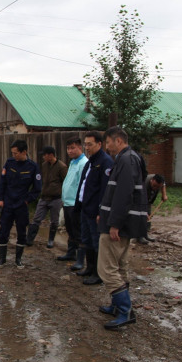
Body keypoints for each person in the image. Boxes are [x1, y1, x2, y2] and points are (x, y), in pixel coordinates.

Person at [97, 126, 148, 329]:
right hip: (125, 222)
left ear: (118, 141)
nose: (107, 147)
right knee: (119, 266)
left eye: (108, 142)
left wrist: (114, 223)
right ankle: (118, 306)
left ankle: (125, 310)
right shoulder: (130, 158)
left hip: (119, 224)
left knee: (107, 268)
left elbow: (124, 194)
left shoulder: (126, 160)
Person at [74, 131, 114, 285]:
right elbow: (84, 184)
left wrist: (100, 211)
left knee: (97, 242)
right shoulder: (90, 162)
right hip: (85, 208)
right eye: (85, 144)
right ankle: (89, 268)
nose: (86, 147)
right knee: (86, 240)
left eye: (89, 144)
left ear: (99, 144)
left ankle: (98, 274)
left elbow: (105, 190)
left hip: (94, 211)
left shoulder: (105, 162)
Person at [0, 140, 42, 269]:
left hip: (21, 205)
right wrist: (1, 199)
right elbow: (2, 183)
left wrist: (27, 200)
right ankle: (2, 259)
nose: (14, 155)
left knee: (21, 232)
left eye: (16, 153)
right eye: (13, 153)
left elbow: (37, 189)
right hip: (8, 204)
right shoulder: (9, 163)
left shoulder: (32, 167)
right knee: (3, 231)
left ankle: (18, 260)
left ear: (24, 152)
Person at [26, 146, 67, 248]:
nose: (43, 157)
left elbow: (66, 182)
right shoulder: (44, 165)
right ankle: (29, 239)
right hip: (44, 197)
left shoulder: (62, 167)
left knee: (54, 220)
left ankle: (51, 240)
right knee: (37, 218)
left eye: (45, 155)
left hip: (56, 198)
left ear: (51, 155)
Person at [57, 138, 88, 269]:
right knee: (70, 230)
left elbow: (83, 186)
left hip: (75, 204)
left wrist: (79, 202)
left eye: (73, 148)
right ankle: (71, 253)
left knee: (78, 231)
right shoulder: (73, 162)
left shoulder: (83, 163)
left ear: (80, 148)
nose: (70, 151)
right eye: (68, 148)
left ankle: (80, 260)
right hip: (67, 202)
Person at [137, 173, 168, 244]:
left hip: (148, 200)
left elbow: (163, 184)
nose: (155, 188)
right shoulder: (144, 183)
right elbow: (141, 200)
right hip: (141, 199)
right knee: (142, 216)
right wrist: (143, 212)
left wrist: (164, 194)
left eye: (157, 187)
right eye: (154, 186)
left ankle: (145, 234)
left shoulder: (160, 181)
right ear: (152, 180)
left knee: (148, 215)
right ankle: (139, 236)